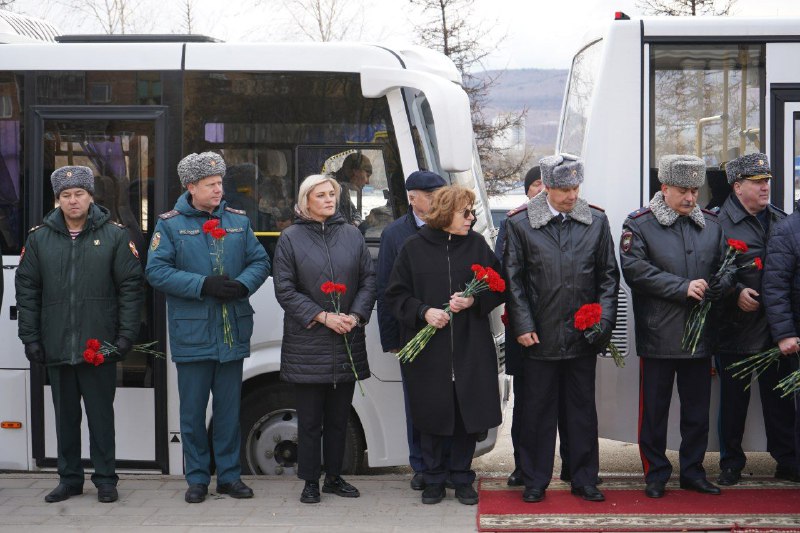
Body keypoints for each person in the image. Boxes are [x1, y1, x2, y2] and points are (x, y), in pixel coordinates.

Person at [145, 152, 269, 504]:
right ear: (191, 187)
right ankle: (197, 478)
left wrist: (243, 284)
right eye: (211, 184)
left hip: (232, 331)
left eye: (220, 183)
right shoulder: (170, 225)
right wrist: (203, 285)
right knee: (192, 412)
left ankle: (229, 477)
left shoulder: (238, 222)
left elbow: (260, 260)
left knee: (229, 411)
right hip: (193, 334)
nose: (219, 189)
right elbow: (156, 271)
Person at [16, 166, 143, 504]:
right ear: (58, 200)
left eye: (79, 194)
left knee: (101, 417)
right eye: (66, 195)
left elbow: (131, 288)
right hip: (56, 343)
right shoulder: (39, 238)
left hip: (98, 345)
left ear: (91, 196)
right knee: (65, 417)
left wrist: (125, 337)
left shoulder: (115, 236)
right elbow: (27, 290)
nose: (73, 201)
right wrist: (30, 337)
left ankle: (106, 480)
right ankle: (69, 479)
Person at [504, 154, 619, 504]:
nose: (572, 195)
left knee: (582, 411)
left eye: (576, 188)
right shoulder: (521, 224)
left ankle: (584, 478)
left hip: (583, 336)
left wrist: (603, 322)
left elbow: (608, 277)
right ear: (547, 188)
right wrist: (523, 324)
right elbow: (514, 280)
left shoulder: (596, 220)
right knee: (538, 412)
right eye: (564, 189)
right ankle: (535, 479)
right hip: (540, 335)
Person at [620, 154, 731, 499]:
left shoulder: (711, 224)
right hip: (659, 336)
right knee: (654, 412)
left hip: (701, 337)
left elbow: (728, 266)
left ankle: (693, 472)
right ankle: (656, 474)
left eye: (695, 191)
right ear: (664, 187)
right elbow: (634, 270)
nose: (690, 198)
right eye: (683, 190)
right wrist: (681, 287)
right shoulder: (639, 223)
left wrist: (720, 284)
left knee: (697, 412)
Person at [385, 185, 504, 506]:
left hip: (469, 349)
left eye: (472, 212)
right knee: (432, 415)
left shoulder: (478, 246)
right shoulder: (413, 248)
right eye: (465, 213)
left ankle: (462, 476)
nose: (471, 218)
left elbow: (500, 286)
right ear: (446, 213)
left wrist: (473, 300)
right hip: (429, 352)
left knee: (466, 416)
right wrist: (424, 311)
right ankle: (434, 478)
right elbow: (395, 295)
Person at [272, 174, 376, 505]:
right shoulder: (290, 238)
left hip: (346, 339)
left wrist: (355, 317)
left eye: (332, 193)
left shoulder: (352, 235)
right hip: (309, 343)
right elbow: (285, 290)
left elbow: (368, 281)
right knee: (311, 420)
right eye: (321, 194)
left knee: (338, 418)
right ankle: (309, 481)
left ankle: (334, 477)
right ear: (306, 201)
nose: (329, 199)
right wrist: (324, 316)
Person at [714, 153, 798, 485]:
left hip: (774, 329)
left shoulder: (779, 219)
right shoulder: (719, 223)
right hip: (735, 329)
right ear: (737, 186)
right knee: (733, 403)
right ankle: (731, 462)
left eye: (767, 182)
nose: (765, 188)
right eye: (757, 182)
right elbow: (709, 273)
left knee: (778, 400)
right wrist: (734, 292)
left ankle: (787, 459)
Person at [376, 170, 448, 491]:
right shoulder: (395, 234)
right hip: (412, 331)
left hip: (448, 331)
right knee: (417, 401)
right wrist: (391, 338)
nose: (434, 201)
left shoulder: (450, 225)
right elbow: (386, 288)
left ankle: (445, 464)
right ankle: (420, 465)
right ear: (411, 197)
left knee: (448, 399)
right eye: (428, 195)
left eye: (438, 195)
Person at [493, 165, 544, 487]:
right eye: (536, 184)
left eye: (546, 184)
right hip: (522, 329)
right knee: (525, 403)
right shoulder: (513, 223)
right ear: (527, 190)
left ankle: (569, 465)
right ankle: (522, 466)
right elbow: (501, 276)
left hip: (559, 329)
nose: (541, 190)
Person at [762, 174, 800, 484]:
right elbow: (775, 287)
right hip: (796, 336)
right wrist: (785, 334)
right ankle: (791, 462)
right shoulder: (788, 230)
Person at [335, 152, 372, 226]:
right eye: (367, 176)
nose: (368, 182)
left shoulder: (344, 190)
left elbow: (356, 213)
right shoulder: (332, 189)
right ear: (356, 171)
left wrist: (355, 223)